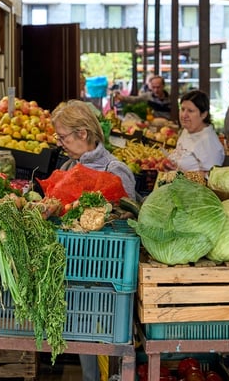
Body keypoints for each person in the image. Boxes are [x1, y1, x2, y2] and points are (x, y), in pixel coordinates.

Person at [48, 99, 137, 381]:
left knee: (108, 350)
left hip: (107, 278)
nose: (60, 142)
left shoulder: (115, 170)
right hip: (75, 272)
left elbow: (129, 223)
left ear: (83, 134)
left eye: (63, 136)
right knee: (82, 344)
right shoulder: (68, 165)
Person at [167, 90, 225, 172]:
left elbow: (210, 176)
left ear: (204, 114)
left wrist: (182, 176)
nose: (184, 115)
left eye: (190, 111)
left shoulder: (209, 142)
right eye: (182, 109)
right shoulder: (186, 130)